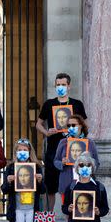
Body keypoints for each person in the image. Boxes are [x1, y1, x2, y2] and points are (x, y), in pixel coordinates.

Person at [36, 73, 88, 210]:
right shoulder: (49, 104)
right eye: (58, 85)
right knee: (50, 189)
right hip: (54, 150)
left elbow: (85, 126)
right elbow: (38, 124)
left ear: (69, 86)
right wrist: (47, 132)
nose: (60, 87)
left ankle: (74, 217)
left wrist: (76, 133)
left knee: (74, 185)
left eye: (63, 85)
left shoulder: (77, 104)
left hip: (74, 150)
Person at [53, 115, 100, 197]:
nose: (71, 127)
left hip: (86, 183)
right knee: (67, 208)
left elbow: (97, 163)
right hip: (66, 182)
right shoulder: (63, 142)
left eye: (73, 125)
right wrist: (62, 163)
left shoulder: (90, 143)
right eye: (69, 126)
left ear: (81, 125)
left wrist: (89, 164)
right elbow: (55, 161)